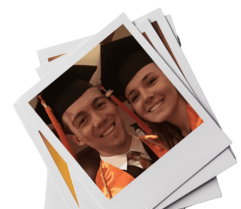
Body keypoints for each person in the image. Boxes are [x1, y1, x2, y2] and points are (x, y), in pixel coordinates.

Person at [35, 65, 169, 200]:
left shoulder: (167, 139)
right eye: (82, 120)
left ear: (113, 105)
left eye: (100, 105)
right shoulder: (103, 196)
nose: (99, 120)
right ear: (77, 139)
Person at [100, 35, 203, 149]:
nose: (146, 97)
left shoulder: (207, 115)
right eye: (135, 97)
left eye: (151, 81)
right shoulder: (167, 146)